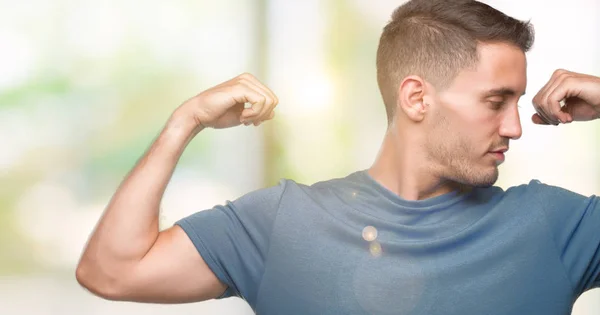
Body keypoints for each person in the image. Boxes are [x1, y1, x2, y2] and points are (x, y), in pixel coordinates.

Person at [75, 0, 600, 314]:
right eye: (495, 101)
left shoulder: (553, 225)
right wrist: (183, 122)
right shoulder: (283, 223)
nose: (515, 126)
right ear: (416, 97)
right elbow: (112, 272)